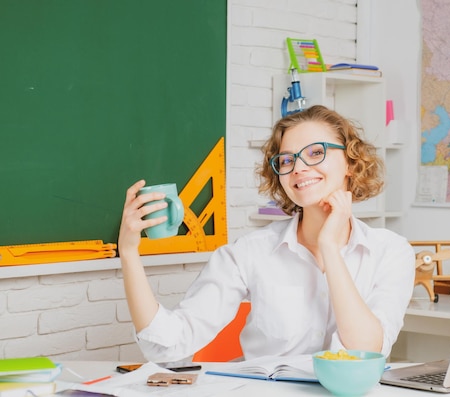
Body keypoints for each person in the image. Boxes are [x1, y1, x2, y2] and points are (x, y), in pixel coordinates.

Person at [118, 105, 416, 363]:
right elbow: (166, 344)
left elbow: (364, 351)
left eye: (316, 152)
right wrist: (129, 253)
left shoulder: (391, 252)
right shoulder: (250, 252)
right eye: (287, 160)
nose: (298, 167)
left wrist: (329, 247)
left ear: (350, 162)